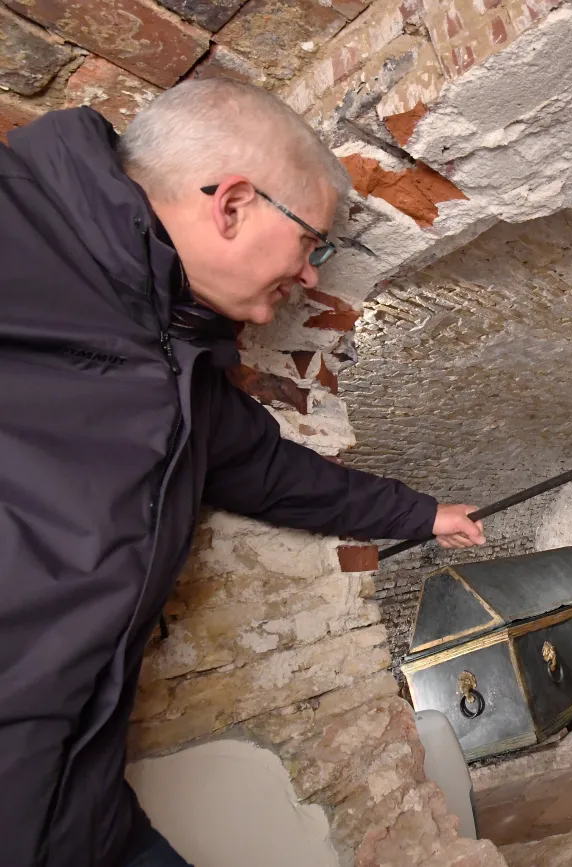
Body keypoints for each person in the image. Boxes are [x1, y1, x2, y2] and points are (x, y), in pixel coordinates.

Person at [0, 79, 486, 867]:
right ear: (232, 205)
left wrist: (423, 514)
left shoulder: (181, 358)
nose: (313, 276)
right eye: (312, 242)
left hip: (74, 805)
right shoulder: (15, 225)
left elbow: (273, 473)